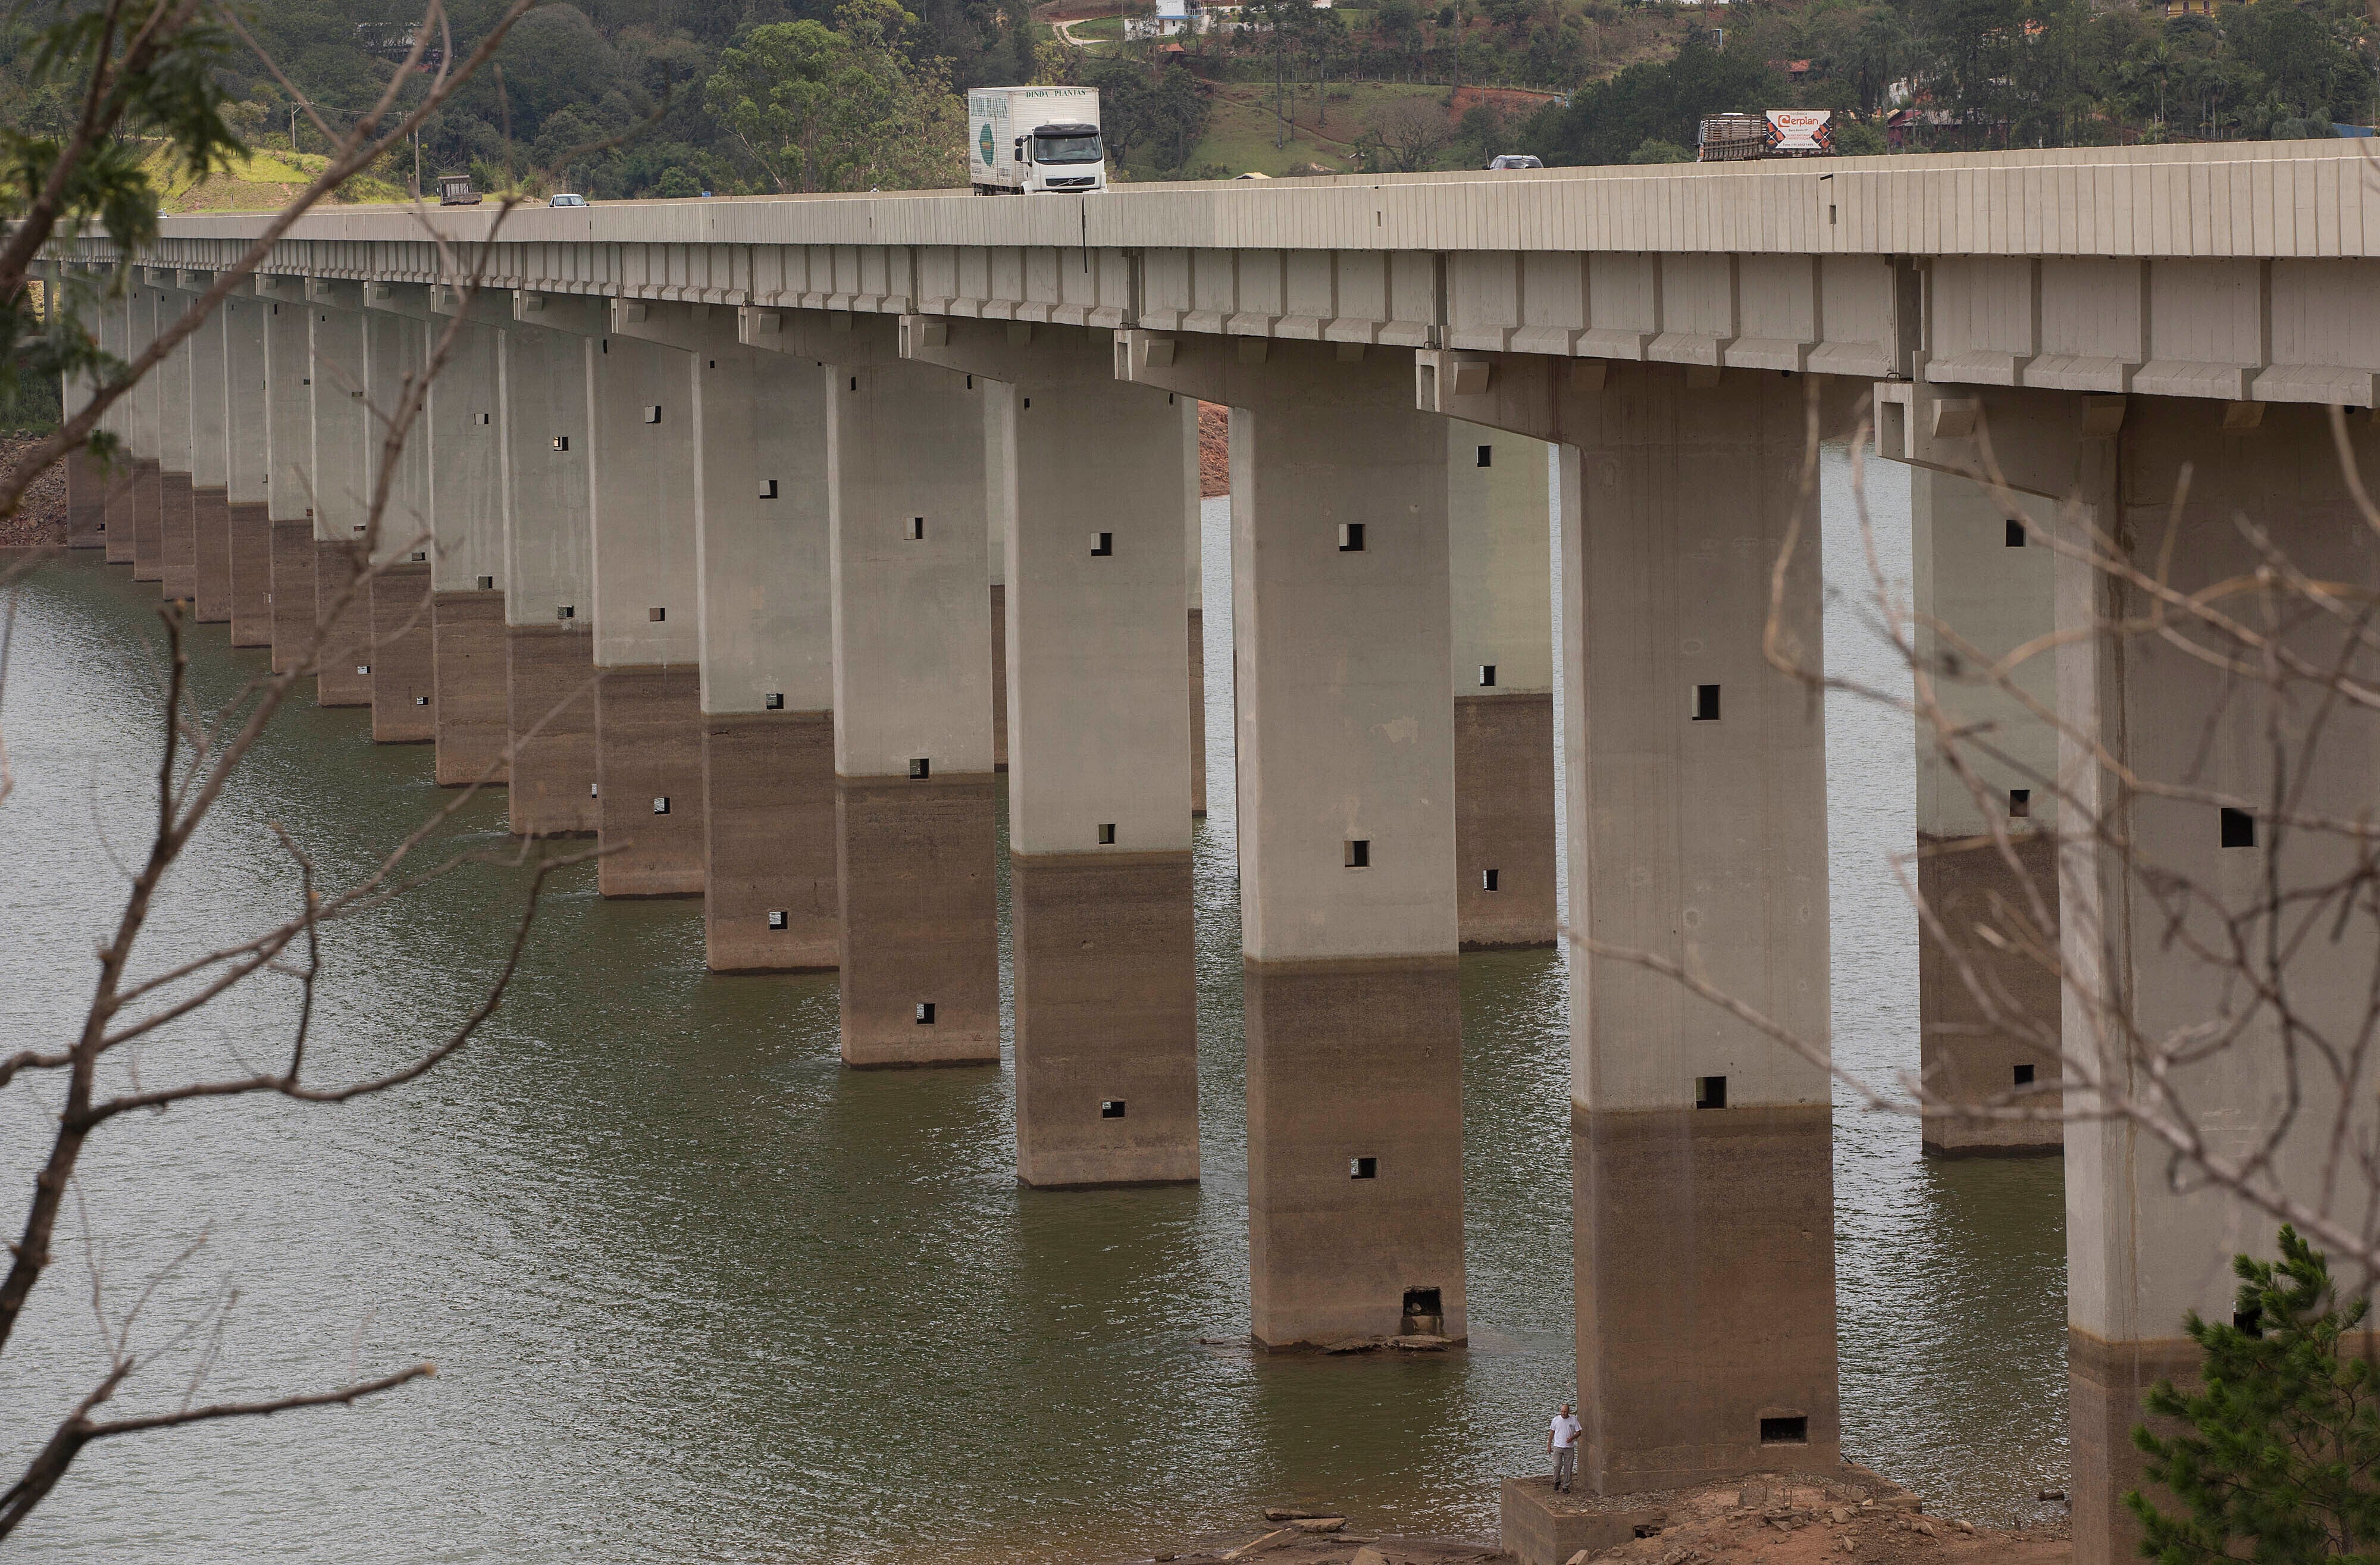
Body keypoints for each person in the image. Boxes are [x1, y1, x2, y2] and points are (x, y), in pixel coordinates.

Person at [1548, 1403, 1582, 1492]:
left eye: (1565, 1412)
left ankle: (1566, 1486)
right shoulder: (1556, 1420)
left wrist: (1572, 1438)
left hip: (1569, 1448)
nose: (1563, 1413)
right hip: (1558, 1446)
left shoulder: (1573, 1420)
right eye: (1562, 1412)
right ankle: (1557, 1481)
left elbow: (1579, 1432)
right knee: (1557, 1465)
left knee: (1568, 1467)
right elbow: (1552, 1433)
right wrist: (1549, 1446)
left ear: (1569, 1412)